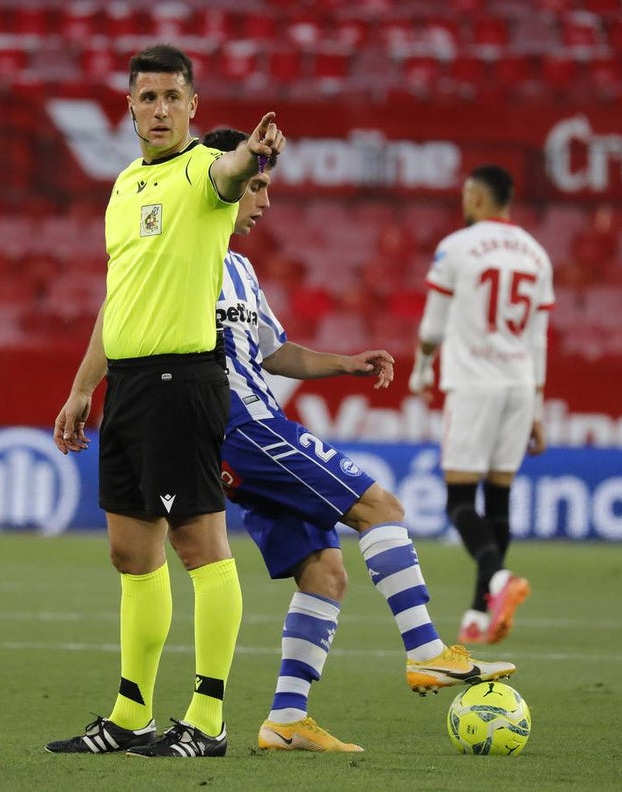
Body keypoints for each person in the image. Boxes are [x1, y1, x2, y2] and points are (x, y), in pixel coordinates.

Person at [203, 128, 517, 754]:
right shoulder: (187, 260)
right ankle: (427, 650)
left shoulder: (239, 267)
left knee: (325, 572)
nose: (264, 201)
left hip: (252, 430)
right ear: (226, 180)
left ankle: (285, 721)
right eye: (256, 186)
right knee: (382, 508)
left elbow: (275, 352)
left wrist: (343, 363)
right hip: (243, 431)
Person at [45, 44, 285, 759]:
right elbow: (119, 296)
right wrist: (84, 386)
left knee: (201, 549)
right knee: (129, 552)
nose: (158, 110)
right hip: (129, 386)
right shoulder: (122, 187)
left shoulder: (201, 174)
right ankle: (130, 714)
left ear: (192, 107)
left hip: (184, 382)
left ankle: (207, 719)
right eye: (146, 97)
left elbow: (230, 170)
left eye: (171, 98)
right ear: (128, 105)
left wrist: (253, 152)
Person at [409, 164, 554, 646]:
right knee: (499, 499)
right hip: (518, 383)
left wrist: (422, 367)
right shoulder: (537, 254)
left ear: (474, 197)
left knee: (457, 501)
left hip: (473, 383)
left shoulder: (457, 246)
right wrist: (536, 408)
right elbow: (538, 340)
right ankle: (477, 614)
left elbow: (432, 328)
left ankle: (496, 579)